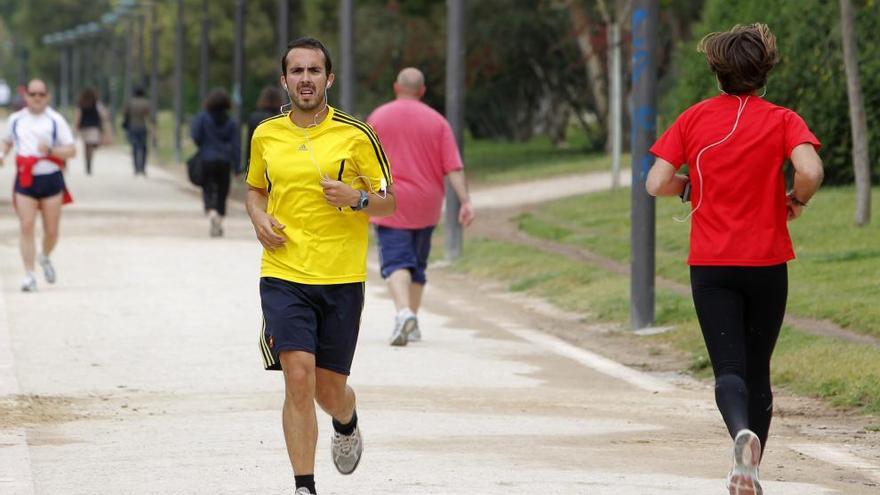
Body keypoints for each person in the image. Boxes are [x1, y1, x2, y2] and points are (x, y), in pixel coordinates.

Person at [646, 23, 823, 495]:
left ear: (716, 70)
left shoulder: (693, 118)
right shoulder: (783, 119)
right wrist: (796, 199)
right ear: (764, 70)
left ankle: (740, 438)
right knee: (758, 368)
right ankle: (751, 469)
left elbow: (654, 182)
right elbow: (809, 169)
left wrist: (687, 187)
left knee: (728, 369)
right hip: (767, 263)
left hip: (712, 265)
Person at [246, 37, 395, 495]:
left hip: (341, 277)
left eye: (314, 71)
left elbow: (390, 204)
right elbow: (255, 188)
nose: (305, 79)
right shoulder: (266, 134)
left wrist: (358, 199)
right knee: (297, 377)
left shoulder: (356, 134)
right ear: (284, 80)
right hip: (284, 272)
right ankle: (304, 486)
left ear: (328, 78)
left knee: (328, 391)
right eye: (297, 71)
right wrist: (257, 216)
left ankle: (346, 421)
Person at [366, 67, 474, 346]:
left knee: (396, 261)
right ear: (422, 91)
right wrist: (465, 201)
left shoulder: (378, 117)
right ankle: (412, 320)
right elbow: (453, 167)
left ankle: (403, 313)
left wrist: (362, 198)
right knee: (417, 263)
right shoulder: (438, 122)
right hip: (427, 204)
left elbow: (362, 161)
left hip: (391, 201)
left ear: (396, 87)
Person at [0, 79, 77, 292]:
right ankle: (29, 274)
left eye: (41, 94)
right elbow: (7, 141)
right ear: (26, 96)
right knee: (26, 225)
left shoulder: (55, 120)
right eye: (32, 94)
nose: (36, 98)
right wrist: (2, 153)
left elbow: (71, 151)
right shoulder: (16, 120)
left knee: (51, 231)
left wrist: (51, 150)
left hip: (51, 177)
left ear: (47, 96)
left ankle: (44, 256)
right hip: (26, 178)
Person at [191, 88, 242, 237]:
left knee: (207, 188)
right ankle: (219, 217)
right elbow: (236, 145)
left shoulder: (202, 118)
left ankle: (211, 211)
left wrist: (203, 145)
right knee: (222, 191)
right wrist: (237, 167)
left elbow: (196, 136)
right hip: (225, 160)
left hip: (207, 158)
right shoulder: (231, 122)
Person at [73, 87, 110, 175]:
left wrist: (76, 126)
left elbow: (78, 115)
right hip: (94, 127)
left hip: (84, 127)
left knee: (86, 146)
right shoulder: (96, 103)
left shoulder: (81, 103)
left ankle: (87, 162)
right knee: (91, 144)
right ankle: (89, 160)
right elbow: (103, 114)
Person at [246, 85, 284, 170]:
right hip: (277, 161)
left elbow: (250, 143)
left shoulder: (254, 117)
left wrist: (247, 165)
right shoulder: (282, 118)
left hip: (259, 159)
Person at [123, 86, 151, 176]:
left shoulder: (130, 102)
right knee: (143, 147)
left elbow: (125, 114)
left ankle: (136, 168)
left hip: (132, 127)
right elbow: (148, 115)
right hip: (142, 127)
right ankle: (142, 168)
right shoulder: (146, 103)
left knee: (134, 147)